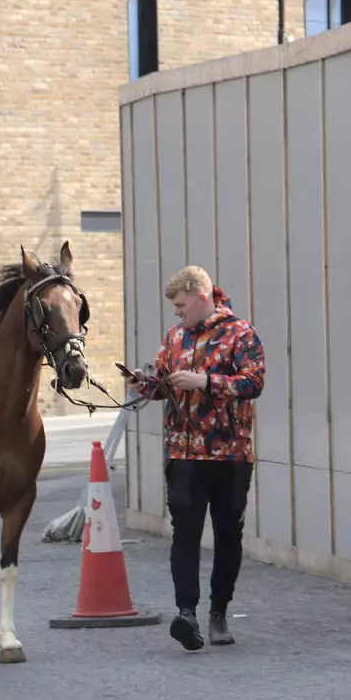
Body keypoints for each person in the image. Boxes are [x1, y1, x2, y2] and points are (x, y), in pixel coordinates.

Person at [121, 266, 265, 652]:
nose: (177, 313)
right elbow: (163, 385)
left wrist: (205, 382)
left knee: (227, 535)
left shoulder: (241, 333)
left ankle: (218, 613)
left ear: (202, 298)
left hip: (230, 453)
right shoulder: (175, 337)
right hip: (183, 452)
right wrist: (144, 383)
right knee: (184, 533)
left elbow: (254, 383)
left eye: (181, 305)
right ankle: (186, 613)